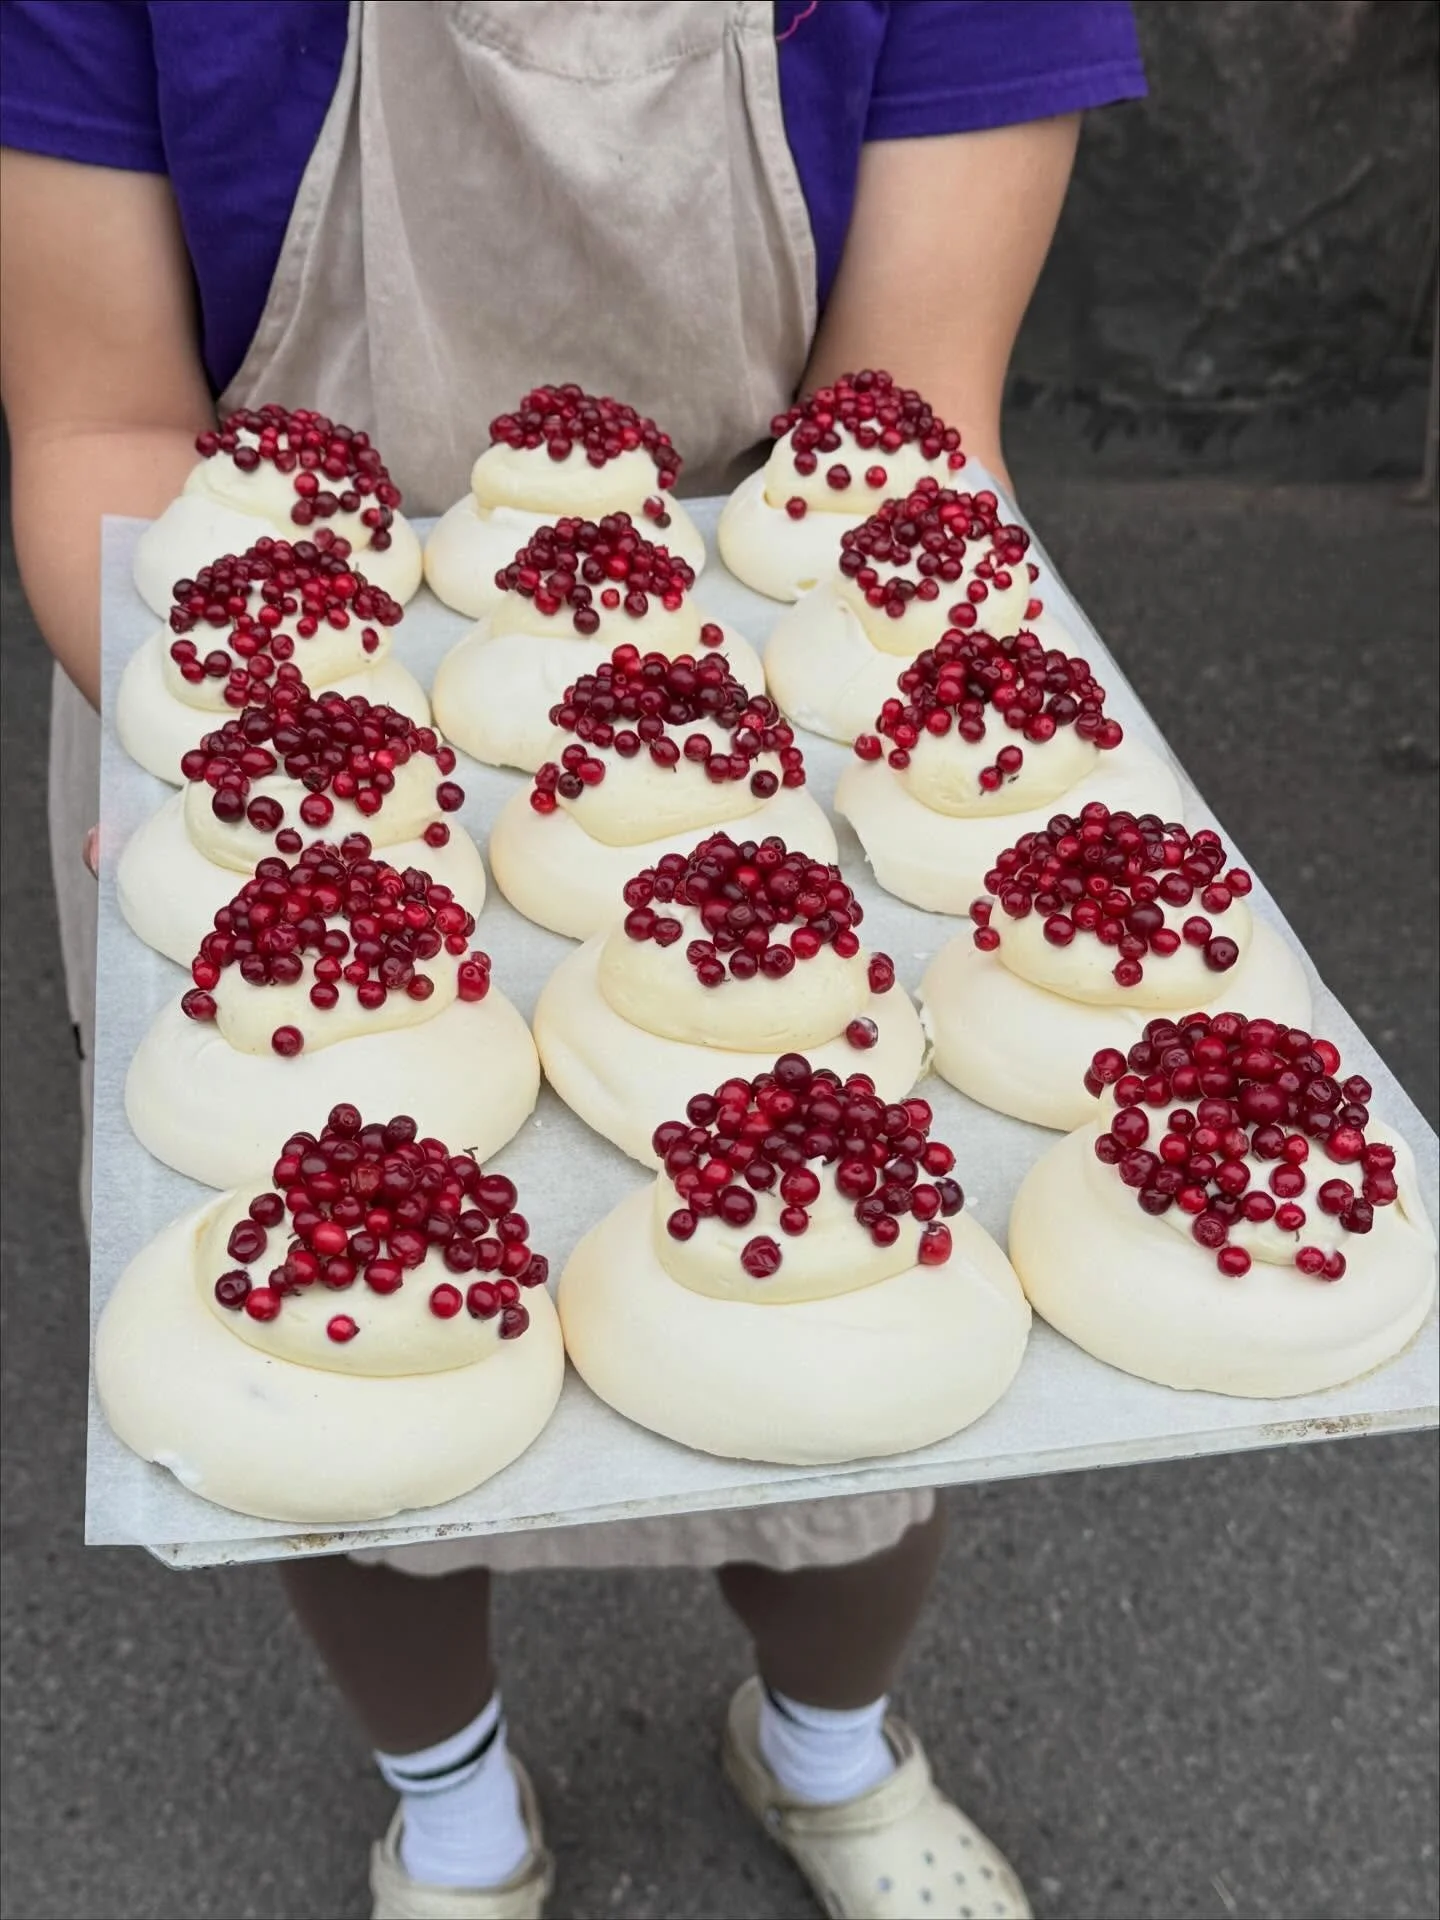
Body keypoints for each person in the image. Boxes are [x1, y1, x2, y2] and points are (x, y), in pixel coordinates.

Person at [0, 5, 1145, 1916]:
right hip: (246, 703)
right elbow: (106, 426)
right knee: (345, 1381)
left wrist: (940, 737)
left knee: (850, 1387)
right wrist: (242, 764)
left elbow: (914, 425)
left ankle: (828, 1744)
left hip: (737, 746)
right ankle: (452, 1809)